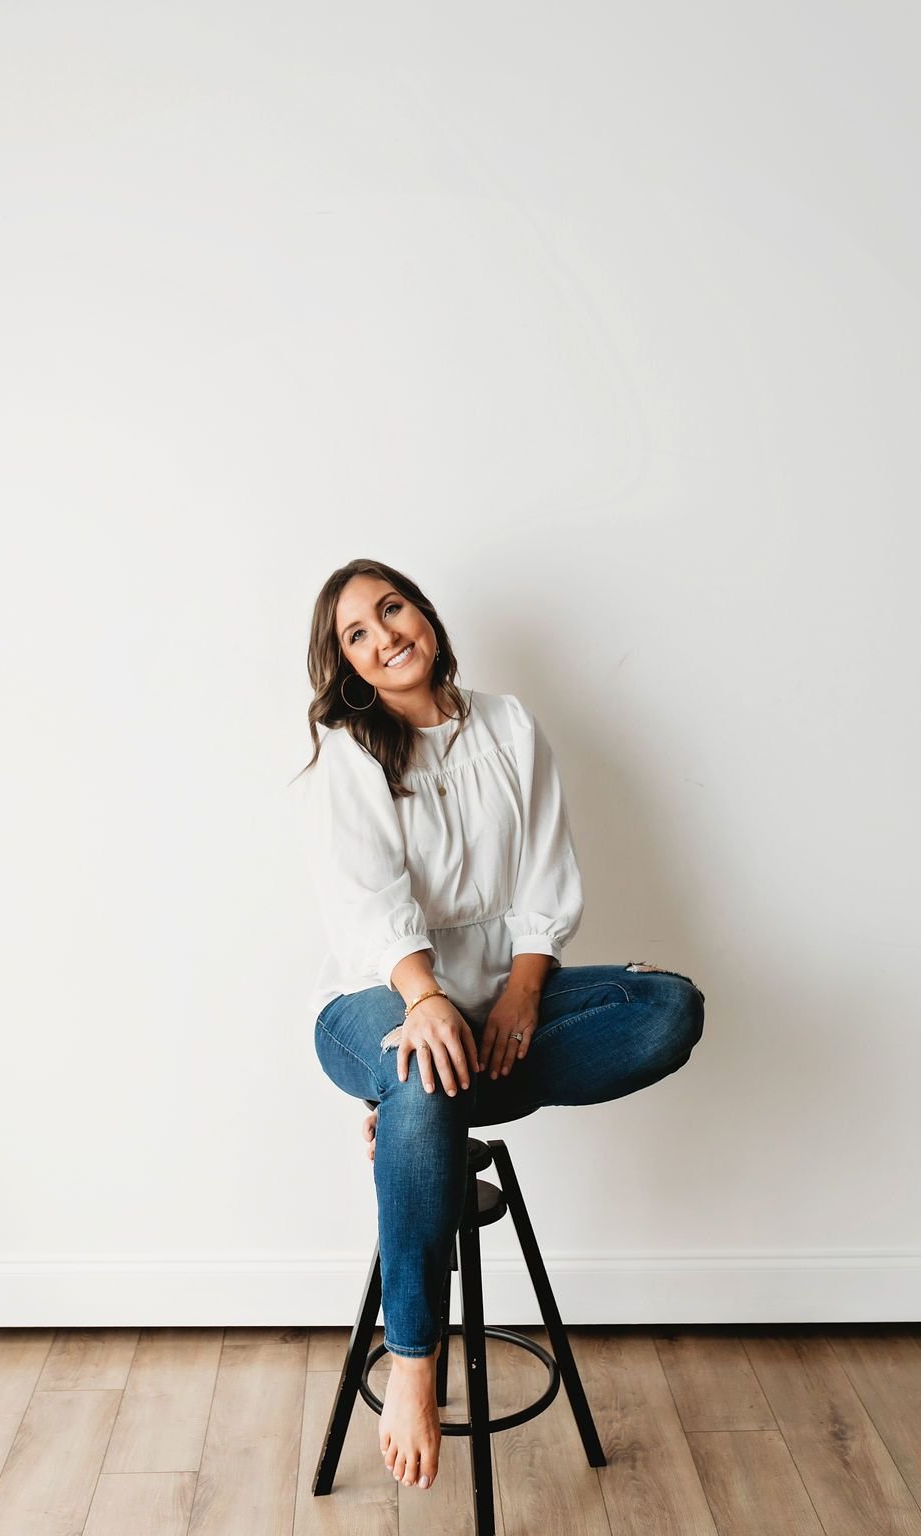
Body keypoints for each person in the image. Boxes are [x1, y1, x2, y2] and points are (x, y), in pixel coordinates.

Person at [291, 558, 705, 1495]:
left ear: (424, 614)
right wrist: (426, 999)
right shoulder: (349, 752)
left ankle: (417, 1116)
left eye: (391, 609)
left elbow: (545, 881)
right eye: (357, 634)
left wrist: (521, 996)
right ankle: (415, 1357)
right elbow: (367, 907)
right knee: (419, 1063)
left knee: (666, 1008)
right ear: (347, 665)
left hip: (491, 1005)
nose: (384, 636)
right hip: (375, 999)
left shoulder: (510, 725)